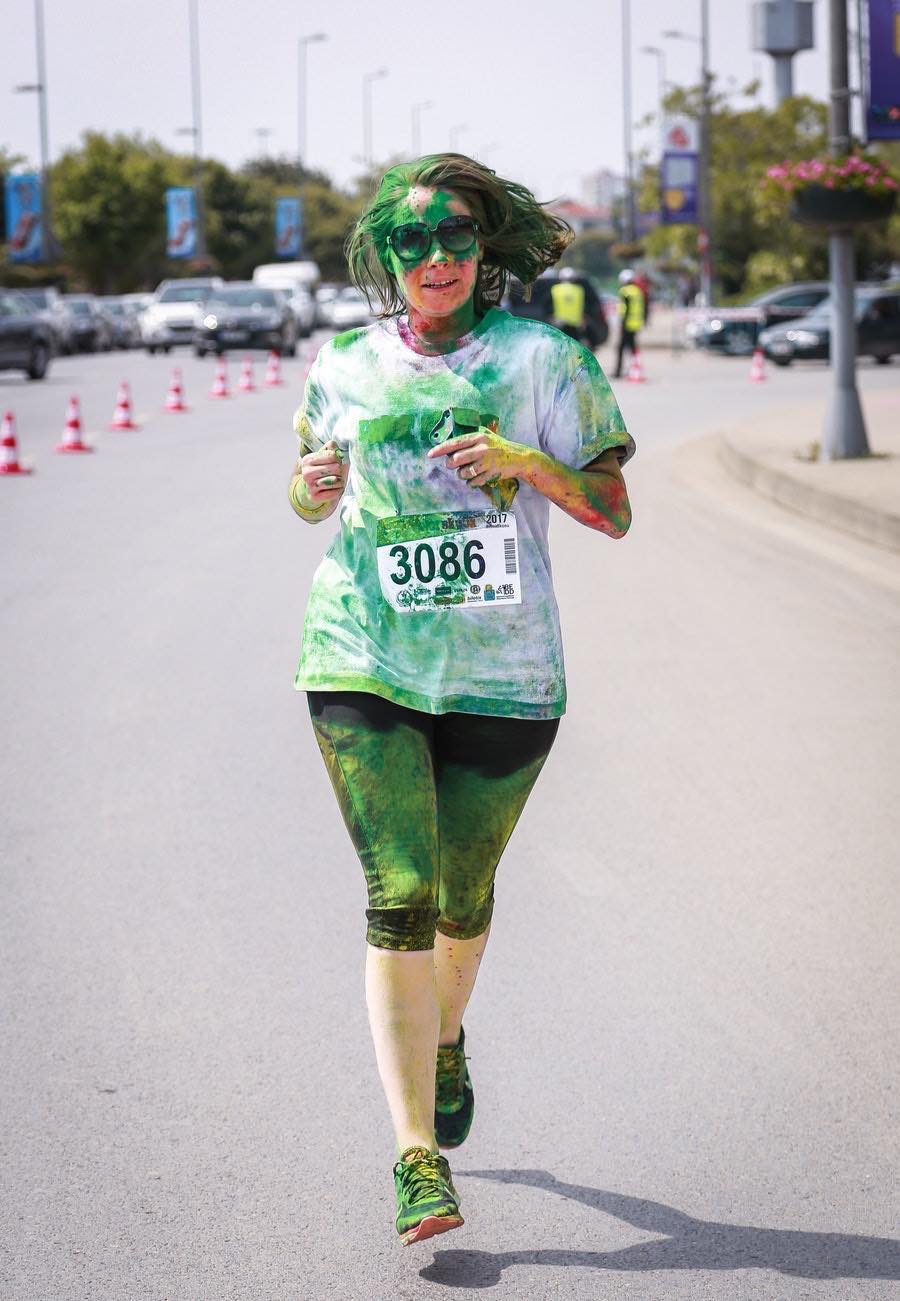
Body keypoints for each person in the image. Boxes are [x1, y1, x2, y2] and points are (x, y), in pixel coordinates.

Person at [287, 153, 635, 1247]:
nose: (436, 257)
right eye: (413, 239)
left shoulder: (547, 358)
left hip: (505, 668)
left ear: (485, 253)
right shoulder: (341, 362)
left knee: (463, 899)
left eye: (456, 238)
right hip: (361, 656)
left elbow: (615, 509)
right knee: (400, 890)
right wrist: (308, 487)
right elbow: (306, 490)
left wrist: (527, 460)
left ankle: (446, 1038)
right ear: (385, 254)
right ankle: (416, 1158)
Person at [614, 267, 645, 377]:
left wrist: (622, 323)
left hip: (627, 323)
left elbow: (626, 309)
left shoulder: (625, 291)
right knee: (632, 348)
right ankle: (635, 369)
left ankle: (618, 371)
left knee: (621, 348)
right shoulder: (637, 291)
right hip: (636, 323)